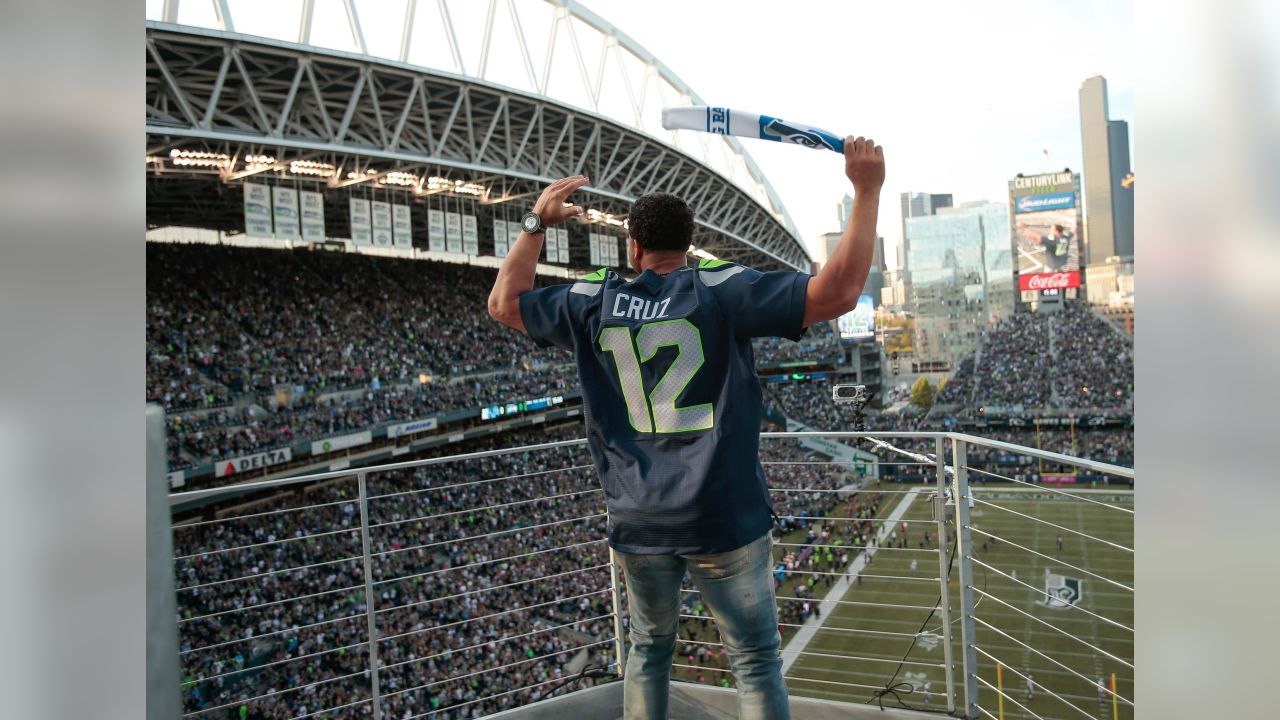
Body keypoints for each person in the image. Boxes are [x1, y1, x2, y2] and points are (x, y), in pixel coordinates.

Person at [488, 136, 886, 720]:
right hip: (723, 512)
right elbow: (840, 292)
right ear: (690, 244)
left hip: (637, 516)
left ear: (635, 246)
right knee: (753, 659)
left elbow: (504, 303)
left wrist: (533, 224)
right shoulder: (720, 287)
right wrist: (867, 189)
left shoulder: (594, 296)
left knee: (648, 652)